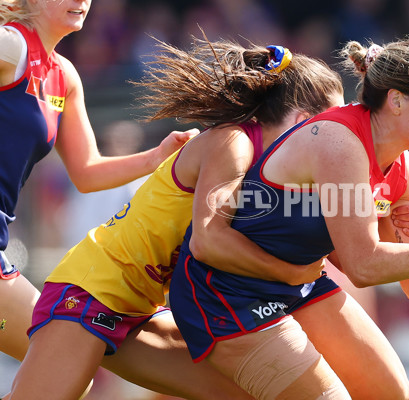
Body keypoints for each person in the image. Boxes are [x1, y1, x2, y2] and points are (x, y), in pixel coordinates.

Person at [167, 38, 409, 400]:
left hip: (297, 284)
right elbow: (364, 266)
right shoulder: (338, 141)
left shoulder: (403, 169)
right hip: (224, 294)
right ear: (397, 100)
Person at [6, 34, 358, 399]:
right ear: (302, 121)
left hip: (142, 308)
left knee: (253, 392)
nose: (339, 142)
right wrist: (288, 273)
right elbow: (210, 240)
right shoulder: (234, 143)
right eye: (332, 127)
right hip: (89, 292)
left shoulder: (272, 167)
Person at [0, 0, 193, 365]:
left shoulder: (64, 75)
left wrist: (155, 157)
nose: (81, 1)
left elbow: (87, 171)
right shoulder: (11, 45)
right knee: (60, 365)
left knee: (62, 370)